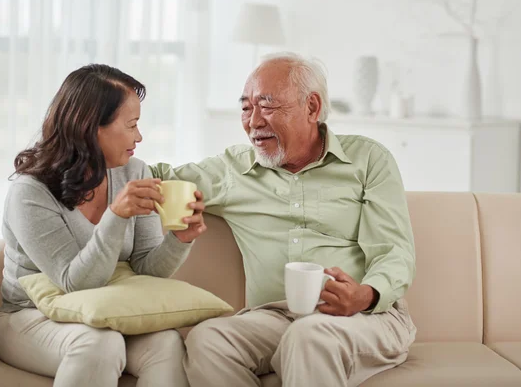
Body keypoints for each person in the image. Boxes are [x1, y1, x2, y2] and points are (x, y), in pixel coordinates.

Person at [150, 52, 417, 387]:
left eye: (268, 105)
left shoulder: (369, 160)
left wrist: (364, 294)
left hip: (364, 316)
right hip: (274, 317)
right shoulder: (233, 169)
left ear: (312, 108)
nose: (254, 121)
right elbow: (159, 179)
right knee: (208, 340)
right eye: (246, 107)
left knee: (309, 336)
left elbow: (394, 252)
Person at [0, 64, 206, 387]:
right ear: (91, 127)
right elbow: (73, 282)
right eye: (131, 125)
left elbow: (147, 268)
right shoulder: (30, 191)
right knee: (99, 344)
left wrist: (179, 239)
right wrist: (115, 217)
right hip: (29, 316)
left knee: (166, 343)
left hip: (104, 312)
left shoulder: (134, 173)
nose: (139, 136)